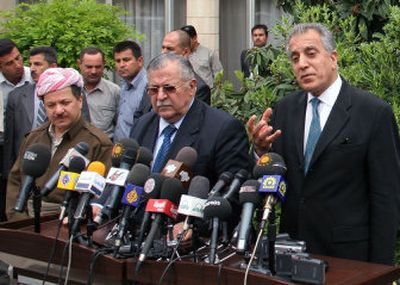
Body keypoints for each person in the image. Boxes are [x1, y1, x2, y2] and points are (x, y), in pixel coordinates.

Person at [247, 23, 400, 265]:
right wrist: (260, 152)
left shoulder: (373, 112)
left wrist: (379, 270)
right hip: (291, 252)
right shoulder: (285, 110)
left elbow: (386, 198)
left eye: (311, 53)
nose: (302, 64)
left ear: (333, 58)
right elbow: (276, 175)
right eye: (295, 58)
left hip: (348, 257)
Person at [6, 67, 113, 221]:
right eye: (51, 105)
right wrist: (18, 220)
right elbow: (15, 182)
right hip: (25, 221)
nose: (58, 110)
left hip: (64, 224)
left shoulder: (98, 143)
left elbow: (101, 197)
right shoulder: (33, 138)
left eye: (65, 102)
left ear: (80, 100)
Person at [131, 52, 251, 189]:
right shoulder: (142, 125)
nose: (160, 96)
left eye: (169, 88)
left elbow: (230, 195)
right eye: (153, 89)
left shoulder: (223, 129)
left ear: (192, 87)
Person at [4, 46, 58, 179]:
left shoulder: (69, 94)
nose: (32, 69)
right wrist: (8, 173)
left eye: (38, 64)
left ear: (53, 67)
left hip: (56, 165)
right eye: (31, 64)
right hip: (25, 165)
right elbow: (10, 139)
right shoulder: (16, 96)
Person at [0, 39, 32, 222]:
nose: (18, 65)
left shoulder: (33, 76)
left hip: (25, 143)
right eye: (9, 63)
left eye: (18, 58)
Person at [78, 47, 120, 139]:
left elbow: (120, 126)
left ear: (104, 65)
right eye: (89, 67)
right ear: (79, 64)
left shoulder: (114, 91)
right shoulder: (71, 90)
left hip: (105, 149)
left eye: (98, 67)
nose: (94, 71)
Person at [113, 41, 150, 143]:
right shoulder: (124, 86)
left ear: (140, 61)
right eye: (118, 61)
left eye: (126, 60)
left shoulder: (150, 87)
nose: (121, 65)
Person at [162, 30, 211, 105]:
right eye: (163, 48)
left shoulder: (199, 88)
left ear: (185, 52)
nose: (163, 52)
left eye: (170, 49)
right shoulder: (156, 80)